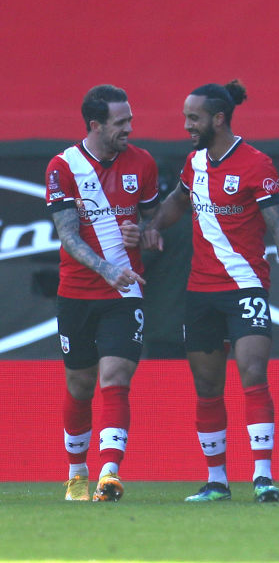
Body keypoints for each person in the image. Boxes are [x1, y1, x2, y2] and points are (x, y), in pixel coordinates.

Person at [142, 80, 279, 503]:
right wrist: (152, 226)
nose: (187, 125)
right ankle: (217, 480)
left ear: (218, 119)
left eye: (193, 118)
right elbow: (178, 202)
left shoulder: (257, 164)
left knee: (253, 373)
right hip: (200, 291)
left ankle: (262, 476)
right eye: (186, 117)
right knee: (207, 388)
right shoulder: (194, 163)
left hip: (246, 287)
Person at [47, 84, 159, 502]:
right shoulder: (63, 167)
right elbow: (67, 236)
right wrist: (106, 268)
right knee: (79, 383)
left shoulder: (143, 162)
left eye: (129, 120)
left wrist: (144, 233)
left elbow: (152, 221)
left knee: (116, 378)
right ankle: (77, 474)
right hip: (77, 291)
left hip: (124, 291)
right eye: (121, 122)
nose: (129, 128)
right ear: (95, 125)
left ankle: (109, 473)